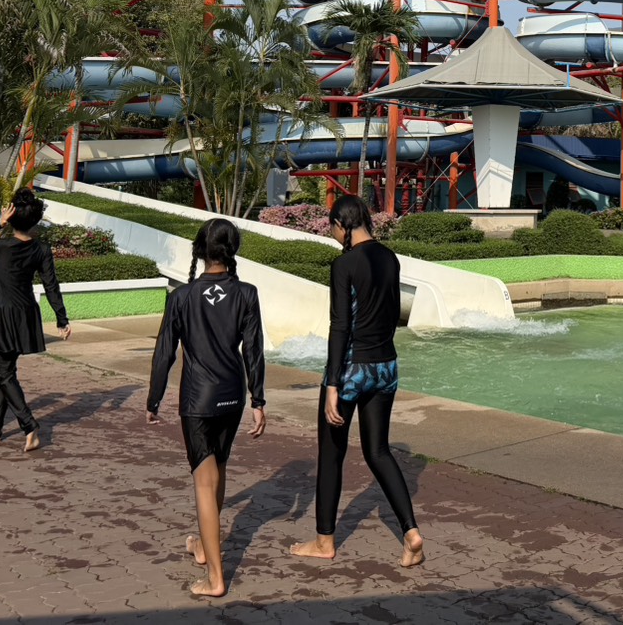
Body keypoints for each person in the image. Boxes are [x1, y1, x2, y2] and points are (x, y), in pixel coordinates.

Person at [292, 196, 423, 567]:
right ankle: (411, 532)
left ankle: (324, 542)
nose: (333, 235)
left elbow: (340, 326)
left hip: (352, 369)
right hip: (386, 366)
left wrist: (333, 385)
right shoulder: (390, 258)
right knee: (378, 451)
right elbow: (392, 314)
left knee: (331, 454)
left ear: (341, 224)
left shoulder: (344, 264)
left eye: (332, 228)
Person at [147, 218, 267, 598]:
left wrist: (154, 399)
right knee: (219, 469)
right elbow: (254, 350)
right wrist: (258, 400)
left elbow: (164, 351)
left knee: (203, 481)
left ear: (199, 251)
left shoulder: (181, 297)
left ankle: (215, 578)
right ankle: (203, 545)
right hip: (232, 398)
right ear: (232, 251)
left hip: (198, 400)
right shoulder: (246, 293)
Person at [0, 190, 70, 452]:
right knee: (4, 372)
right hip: (25, 314)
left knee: (3, 373)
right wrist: (62, 318)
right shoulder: (42, 250)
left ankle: (29, 425)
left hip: (2, 315)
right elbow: (51, 285)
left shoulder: (1, 246)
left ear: (13, 218)